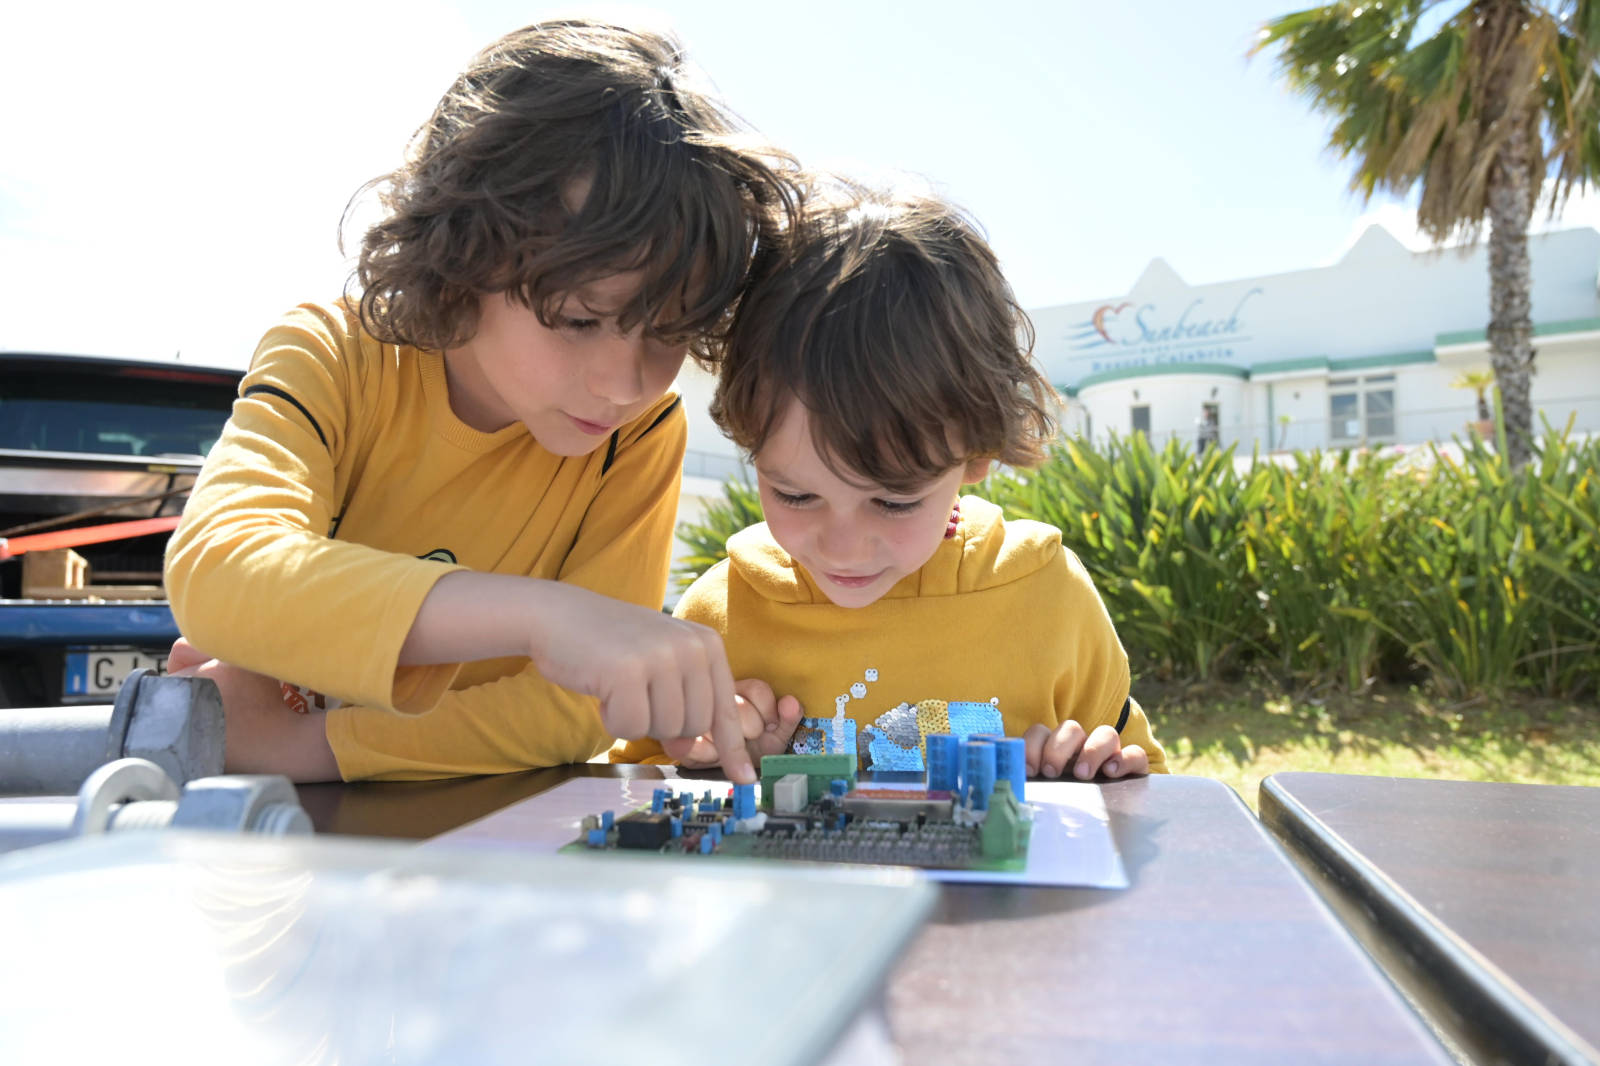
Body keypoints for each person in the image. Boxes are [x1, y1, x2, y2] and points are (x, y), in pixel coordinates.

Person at [163, 18, 802, 784]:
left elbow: (575, 712)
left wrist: (302, 747)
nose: (626, 383)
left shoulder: (636, 436)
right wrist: (545, 618)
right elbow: (221, 572)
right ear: (462, 255)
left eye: (669, 333)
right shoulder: (334, 356)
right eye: (578, 319)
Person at [613, 179, 1166, 780]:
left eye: (894, 501)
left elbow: (1140, 788)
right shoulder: (716, 620)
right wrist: (713, 764)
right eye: (796, 494)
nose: (843, 546)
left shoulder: (1048, 599)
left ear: (977, 452)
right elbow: (636, 792)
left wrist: (1089, 774)